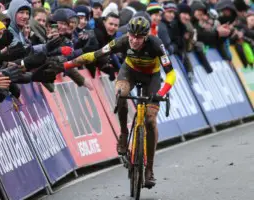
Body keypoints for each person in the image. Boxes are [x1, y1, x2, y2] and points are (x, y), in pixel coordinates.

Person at [62, 12, 176, 188]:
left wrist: (162, 92)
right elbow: (95, 55)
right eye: (132, 36)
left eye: (139, 37)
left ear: (146, 36)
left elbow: (171, 73)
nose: (134, 40)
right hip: (129, 72)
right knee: (121, 93)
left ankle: (149, 169)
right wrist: (67, 65)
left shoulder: (156, 44)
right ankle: (123, 134)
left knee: (150, 120)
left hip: (151, 78)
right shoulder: (122, 40)